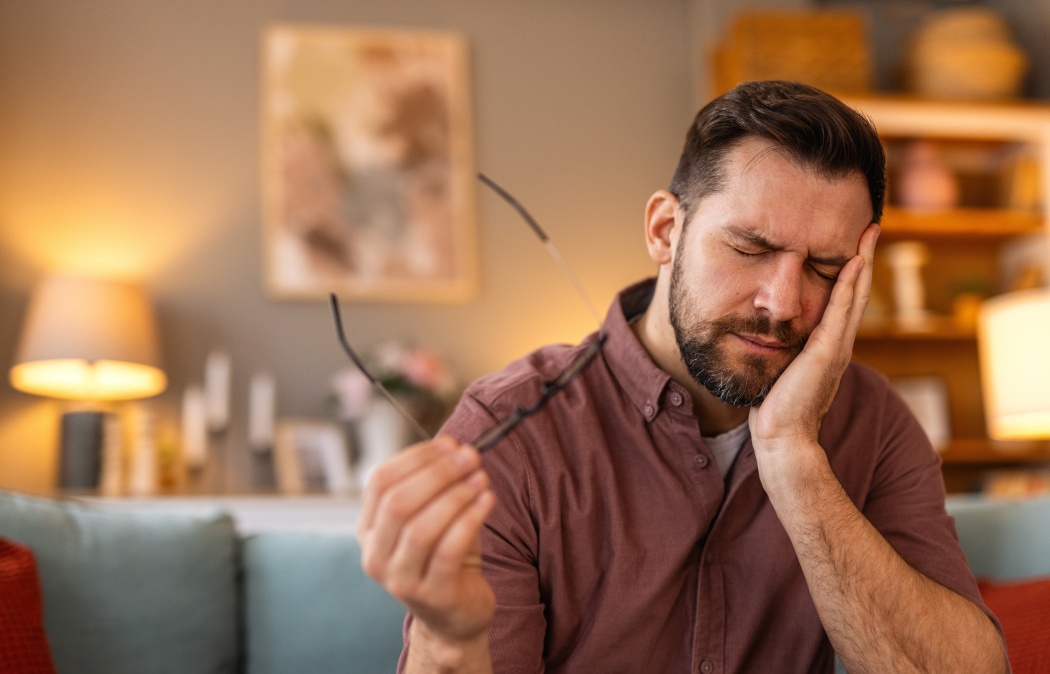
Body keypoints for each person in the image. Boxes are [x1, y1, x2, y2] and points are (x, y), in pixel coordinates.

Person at [356, 81, 1009, 673]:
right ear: (666, 230)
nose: (783, 303)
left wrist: (791, 455)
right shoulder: (509, 433)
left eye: (827, 269)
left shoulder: (873, 422)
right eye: (750, 249)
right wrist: (449, 637)